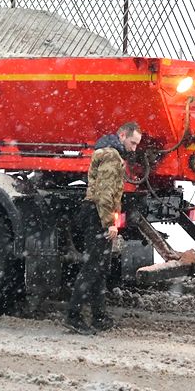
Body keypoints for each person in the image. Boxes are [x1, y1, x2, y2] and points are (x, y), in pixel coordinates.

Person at [65, 121, 142, 335]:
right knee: (92, 268)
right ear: (123, 135)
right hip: (97, 216)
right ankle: (74, 316)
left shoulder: (110, 152)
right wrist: (110, 224)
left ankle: (99, 316)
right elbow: (106, 194)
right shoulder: (111, 156)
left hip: (95, 214)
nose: (134, 148)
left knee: (100, 268)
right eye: (133, 142)